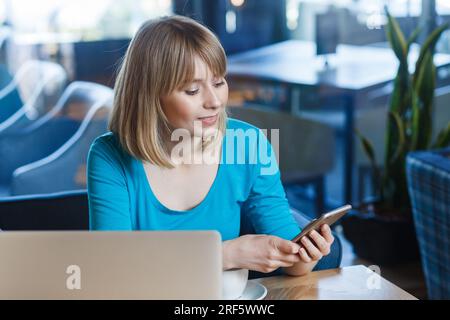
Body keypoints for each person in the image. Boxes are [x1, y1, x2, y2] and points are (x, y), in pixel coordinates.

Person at [87, 15, 334, 276]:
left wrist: (306, 254)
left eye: (219, 82)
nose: (215, 101)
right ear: (150, 95)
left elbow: (292, 263)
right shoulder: (109, 157)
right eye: (193, 90)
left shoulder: (248, 144)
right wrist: (226, 254)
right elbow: (112, 267)